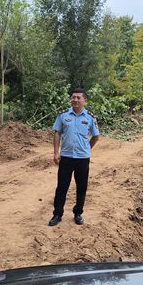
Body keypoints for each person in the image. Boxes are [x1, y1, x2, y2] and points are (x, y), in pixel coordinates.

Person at [49, 88, 99, 226]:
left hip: (82, 159)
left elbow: (96, 136)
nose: (75, 100)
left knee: (81, 187)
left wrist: (87, 148)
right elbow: (57, 133)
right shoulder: (63, 115)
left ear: (85, 100)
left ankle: (78, 213)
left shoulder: (90, 117)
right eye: (73, 97)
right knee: (62, 187)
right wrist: (56, 152)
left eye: (78, 97)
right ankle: (57, 214)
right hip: (66, 157)